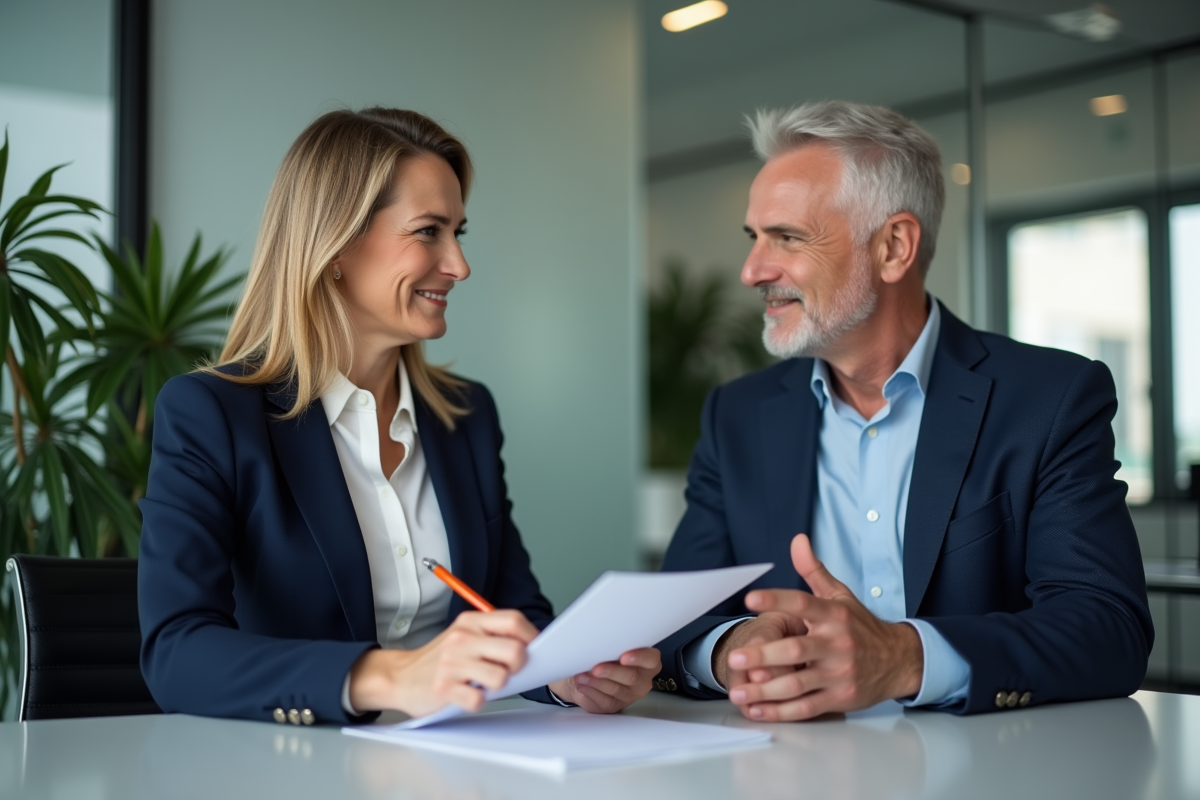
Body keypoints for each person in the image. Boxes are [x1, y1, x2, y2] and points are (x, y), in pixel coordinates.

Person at [138, 108, 659, 725]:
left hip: (460, 761)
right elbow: (176, 653)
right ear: (335, 246)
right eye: (428, 231)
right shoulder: (212, 414)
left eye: (458, 233)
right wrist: (385, 676)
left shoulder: (466, 415)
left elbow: (512, 609)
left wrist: (566, 674)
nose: (459, 266)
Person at [655, 100, 1153, 719]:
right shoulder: (736, 415)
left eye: (787, 237)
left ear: (894, 246)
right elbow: (670, 619)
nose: (753, 269)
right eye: (754, 238)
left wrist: (904, 657)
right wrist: (730, 647)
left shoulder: (1049, 399)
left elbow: (1108, 629)